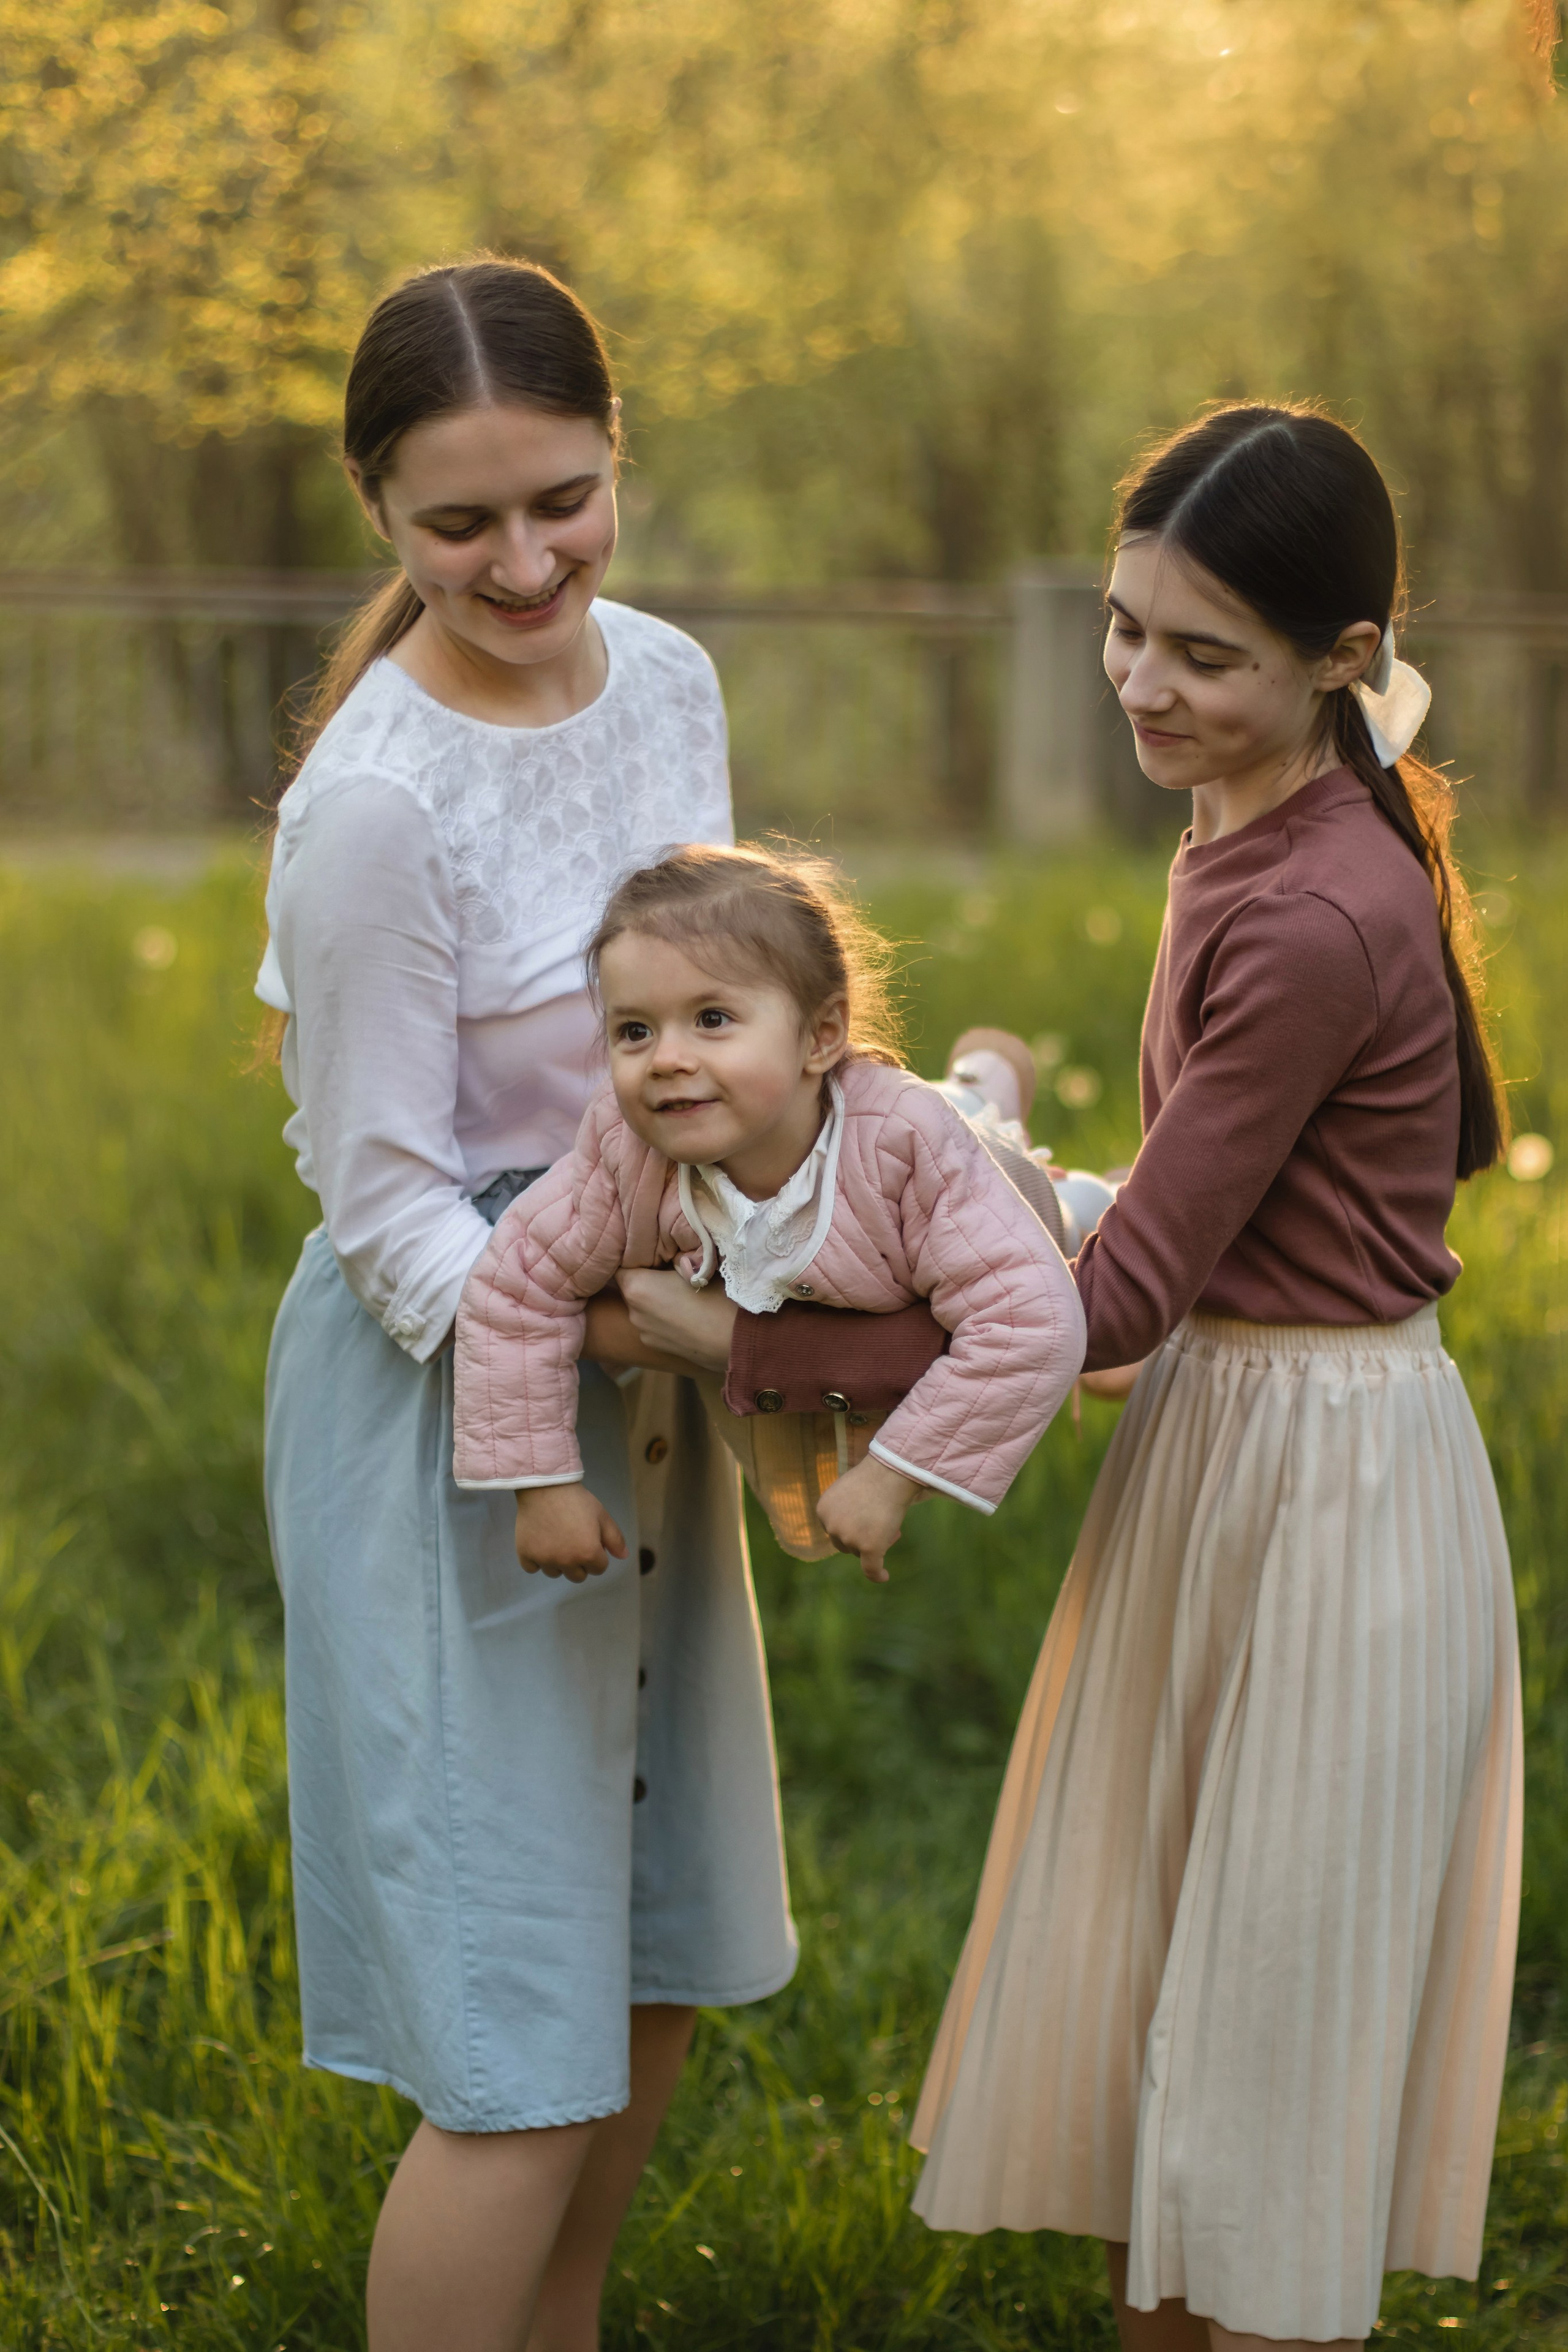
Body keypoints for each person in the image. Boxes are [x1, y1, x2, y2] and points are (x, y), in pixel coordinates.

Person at [907, 405, 1522, 2352]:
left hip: (1327, 1489)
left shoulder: (1323, 902)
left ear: (1341, 663)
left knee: (1261, 2101)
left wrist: (790, 1296)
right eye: (1120, 628)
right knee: (1173, 2076)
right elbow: (1195, 1225)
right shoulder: (1241, 823)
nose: (1140, 686)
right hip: (1220, 1446)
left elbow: (1107, 1308)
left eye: (1200, 652)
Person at [258, 257, 796, 2352]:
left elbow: (719, 1014)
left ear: (617, 460)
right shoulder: (375, 808)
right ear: (376, 514)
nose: (522, 560)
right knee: (516, 2040)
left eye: (562, 499)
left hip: (654, 1365)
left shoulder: (666, 679)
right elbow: (383, 1208)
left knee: (642, 1963)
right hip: (463, 1404)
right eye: (457, 523)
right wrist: (596, 1323)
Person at [450, 845, 1086, 1583]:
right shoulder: (624, 1153)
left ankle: (999, 1088)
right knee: (948, 1108)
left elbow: (1028, 1321)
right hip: (878, 1185)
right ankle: (978, 1084)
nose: (665, 1059)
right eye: (634, 1031)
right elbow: (514, 1285)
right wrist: (543, 1485)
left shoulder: (907, 1149)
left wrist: (893, 1477)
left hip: (984, 1181)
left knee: (1056, 1203)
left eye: (711, 1018)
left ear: (820, 1037)